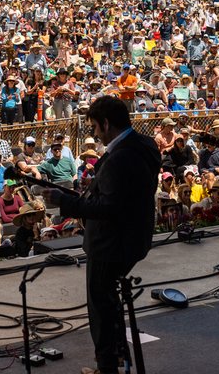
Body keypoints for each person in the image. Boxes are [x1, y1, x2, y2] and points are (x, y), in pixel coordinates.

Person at [44, 96, 160, 374]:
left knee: (101, 307)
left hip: (110, 245)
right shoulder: (146, 145)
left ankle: (107, 366)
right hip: (135, 238)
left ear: (106, 124)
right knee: (109, 301)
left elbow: (108, 208)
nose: (95, 134)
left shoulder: (119, 158)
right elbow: (122, 195)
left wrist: (65, 201)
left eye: (95, 127)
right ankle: (117, 359)